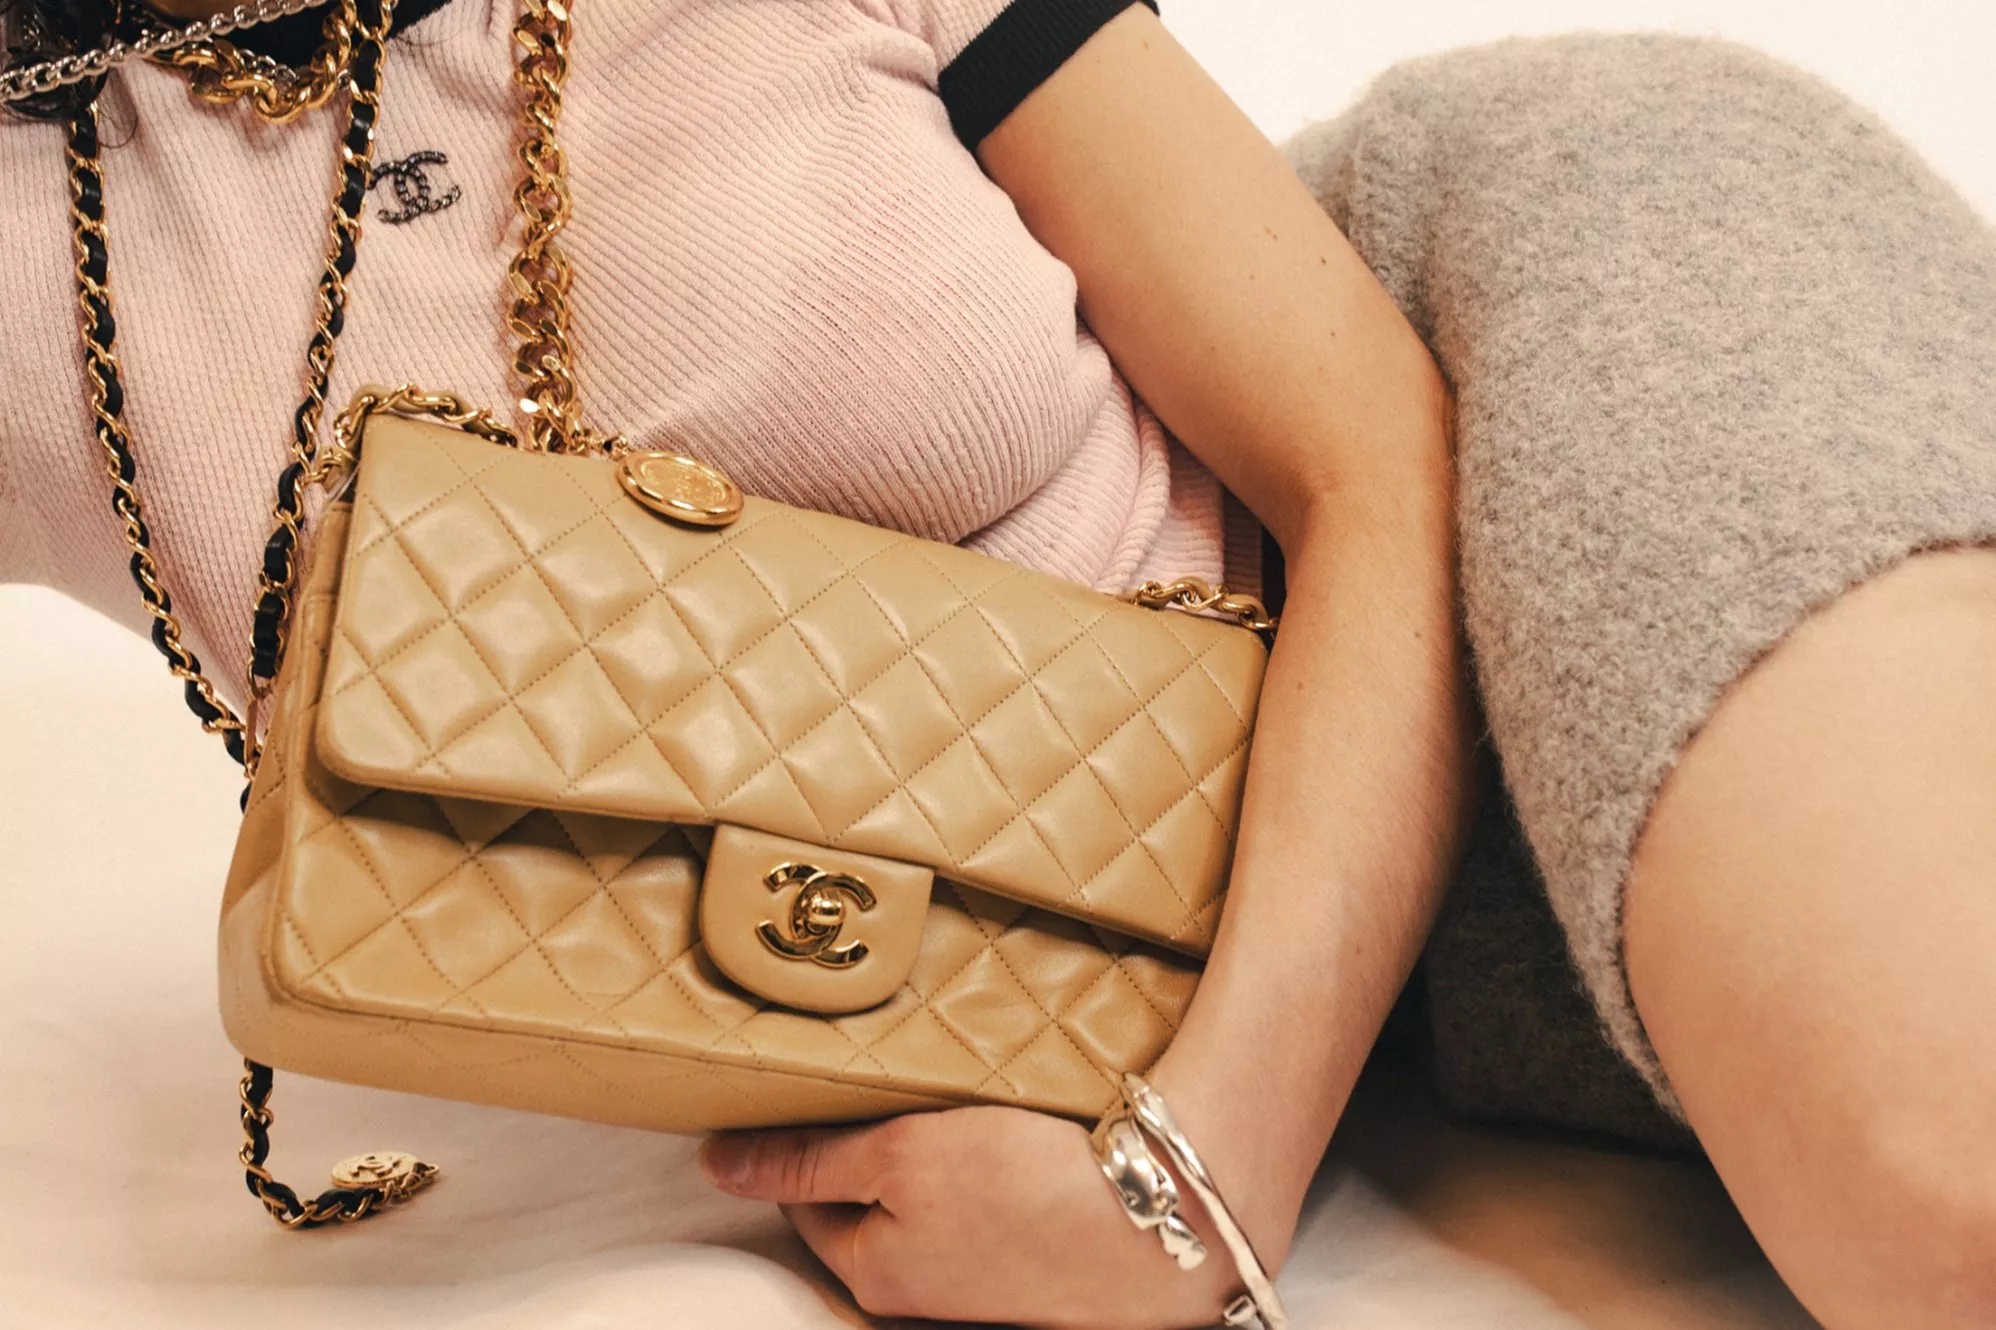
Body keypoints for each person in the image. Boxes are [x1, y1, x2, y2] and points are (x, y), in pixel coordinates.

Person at [3, 1, 1992, 1326]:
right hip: (1303, 952)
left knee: (1938, 1181)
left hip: (1510, 405)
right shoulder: (44, 215)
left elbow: (1362, 447)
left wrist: (1185, 1191)